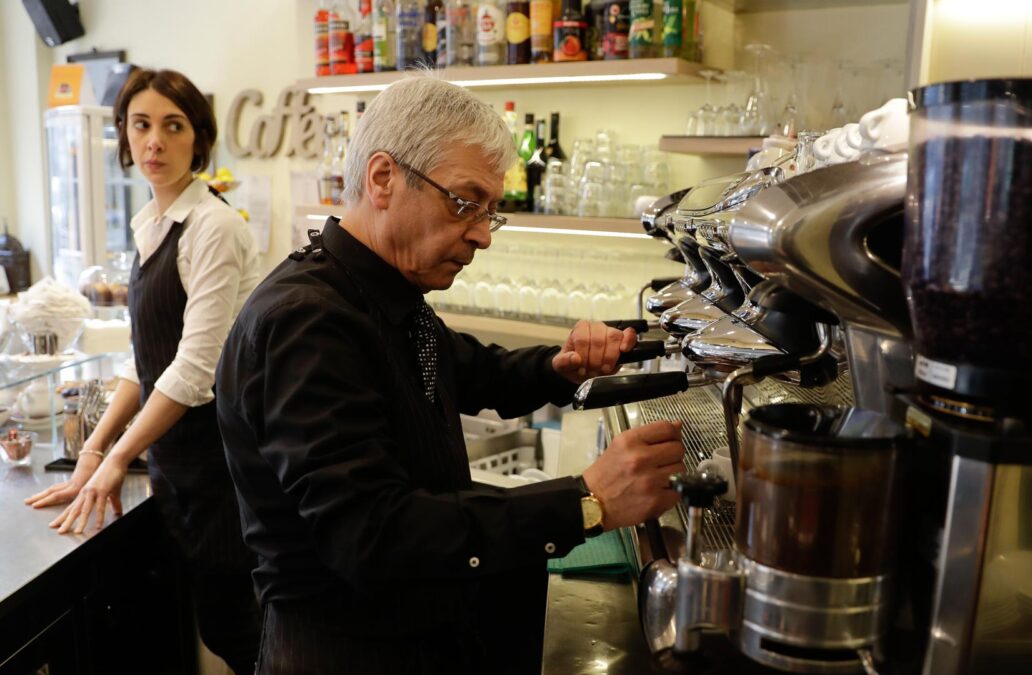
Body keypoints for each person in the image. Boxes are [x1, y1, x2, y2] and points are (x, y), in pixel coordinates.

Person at [216, 72, 686, 674]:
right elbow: (371, 535)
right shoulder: (306, 324)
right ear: (383, 178)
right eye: (465, 202)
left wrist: (559, 365)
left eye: (492, 212)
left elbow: (470, 368)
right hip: (348, 652)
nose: (483, 234)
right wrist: (585, 502)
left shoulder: (382, 295)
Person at [24, 68, 262, 674]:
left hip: (221, 469)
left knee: (240, 634)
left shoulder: (214, 227)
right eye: (141, 124)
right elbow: (145, 355)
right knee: (191, 632)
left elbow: (191, 370)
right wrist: (93, 451)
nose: (154, 140)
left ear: (198, 141)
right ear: (125, 138)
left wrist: (109, 463)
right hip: (173, 466)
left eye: (172, 125)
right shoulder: (152, 225)